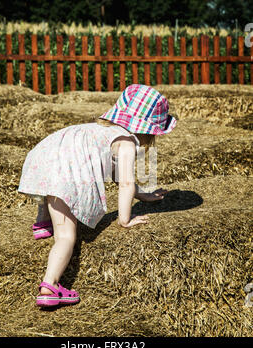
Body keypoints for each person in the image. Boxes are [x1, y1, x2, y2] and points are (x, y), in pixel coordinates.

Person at [18, 84, 177, 308]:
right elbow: (126, 182)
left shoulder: (100, 131)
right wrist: (125, 219)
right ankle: (49, 287)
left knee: (52, 184)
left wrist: (142, 196)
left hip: (44, 154)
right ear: (149, 129)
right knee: (65, 237)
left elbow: (114, 173)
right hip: (63, 171)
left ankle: (43, 222)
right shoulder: (128, 143)